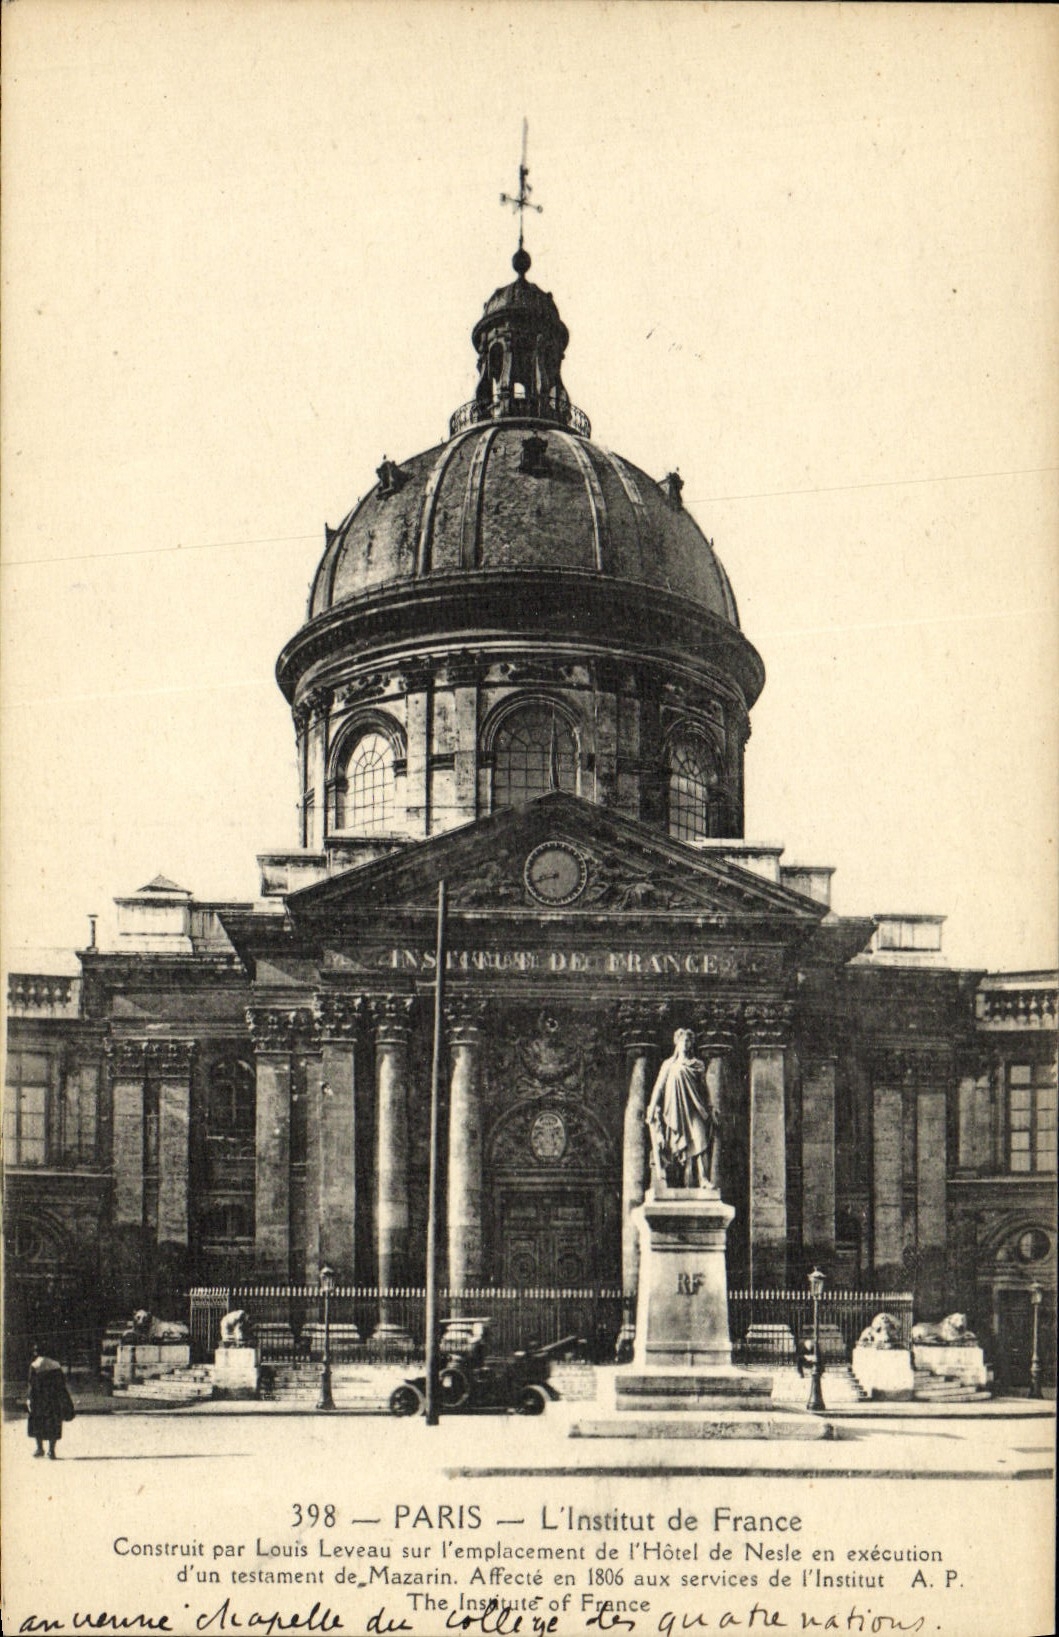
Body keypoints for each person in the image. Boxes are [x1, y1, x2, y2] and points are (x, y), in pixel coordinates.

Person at [645, 1027, 716, 1187]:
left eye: (689, 1041)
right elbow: (659, 1087)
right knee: (673, 1145)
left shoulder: (697, 1065)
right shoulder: (668, 1064)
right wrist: (652, 1105)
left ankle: (703, 1179)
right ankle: (670, 1181)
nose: (686, 1043)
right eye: (683, 1040)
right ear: (677, 1042)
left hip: (694, 1108)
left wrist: (710, 1106)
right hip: (674, 1110)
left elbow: (705, 1088)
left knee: (700, 1140)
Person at [27, 1344, 75, 1459]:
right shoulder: (56, 1365)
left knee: (38, 1422)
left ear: (36, 1352)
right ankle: (51, 1451)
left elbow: (31, 1384)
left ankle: (40, 1449)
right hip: (54, 1398)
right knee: (53, 1423)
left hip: (39, 1399)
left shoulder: (34, 1365)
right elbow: (61, 1383)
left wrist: (29, 1399)